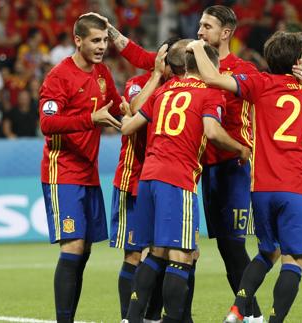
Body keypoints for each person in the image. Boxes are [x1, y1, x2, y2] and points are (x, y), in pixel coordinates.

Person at [96, 7, 302, 321]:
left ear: (225, 32)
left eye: (206, 26)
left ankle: (248, 315)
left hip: (229, 168)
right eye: (198, 25)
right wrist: (113, 32)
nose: (199, 31)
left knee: (230, 247)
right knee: (184, 249)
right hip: (193, 168)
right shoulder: (190, 65)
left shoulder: (240, 69)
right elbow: (145, 56)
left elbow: (276, 91)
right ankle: (182, 316)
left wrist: (296, 80)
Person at [187, 31, 302, 323]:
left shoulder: (259, 84)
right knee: (293, 260)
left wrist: (197, 47)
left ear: (268, 59)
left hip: (260, 187)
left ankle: (238, 310)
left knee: (267, 251)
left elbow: (213, 78)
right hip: (295, 187)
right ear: (299, 61)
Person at [120, 39, 251, 323]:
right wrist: (241, 148)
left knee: (153, 253)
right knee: (182, 255)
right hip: (177, 179)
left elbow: (129, 126)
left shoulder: (165, 90)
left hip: (148, 178)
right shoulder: (209, 93)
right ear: (209, 66)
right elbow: (213, 132)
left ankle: (130, 318)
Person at [38, 14, 123, 323]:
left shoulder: (103, 73)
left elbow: (118, 106)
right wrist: (90, 119)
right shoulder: (58, 76)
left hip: (88, 173)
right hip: (62, 173)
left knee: (84, 250)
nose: (102, 47)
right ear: (78, 40)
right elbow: (47, 123)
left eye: (104, 41)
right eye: (95, 41)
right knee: (73, 246)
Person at [110, 41, 175, 322]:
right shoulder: (139, 83)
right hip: (133, 178)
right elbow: (134, 111)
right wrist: (156, 76)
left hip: (165, 180)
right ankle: (129, 317)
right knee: (134, 254)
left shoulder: (184, 88)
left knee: (164, 253)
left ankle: (151, 316)